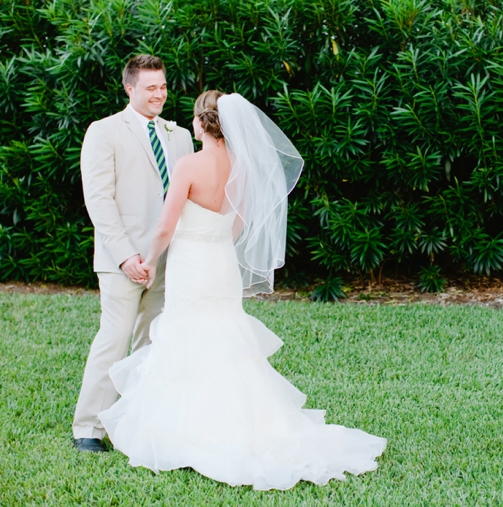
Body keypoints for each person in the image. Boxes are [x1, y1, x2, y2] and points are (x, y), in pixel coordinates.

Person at [97, 91, 386, 490]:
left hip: (190, 264)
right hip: (220, 264)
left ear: (201, 123)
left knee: (186, 336)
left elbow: (165, 226)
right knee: (226, 337)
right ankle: (246, 423)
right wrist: (214, 240)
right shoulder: (242, 166)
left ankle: (188, 433)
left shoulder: (189, 165)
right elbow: (239, 223)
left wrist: (148, 260)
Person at [74, 55, 194, 452]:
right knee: (114, 338)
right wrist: (126, 256)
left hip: (168, 258)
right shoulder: (104, 131)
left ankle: (135, 423)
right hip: (121, 261)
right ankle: (89, 428)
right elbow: (99, 200)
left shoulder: (179, 136)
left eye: (162, 86)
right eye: (150, 88)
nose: (160, 94)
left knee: (152, 342)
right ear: (129, 88)